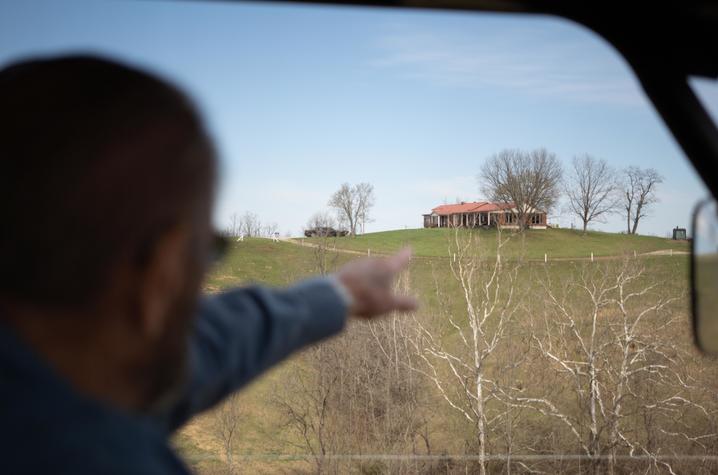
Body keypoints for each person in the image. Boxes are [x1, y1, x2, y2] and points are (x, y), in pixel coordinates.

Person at [0, 55, 417, 474]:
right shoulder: (102, 452)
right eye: (207, 248)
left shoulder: (68, 375)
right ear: (160, 270)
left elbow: (216, 341)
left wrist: (338, 294)